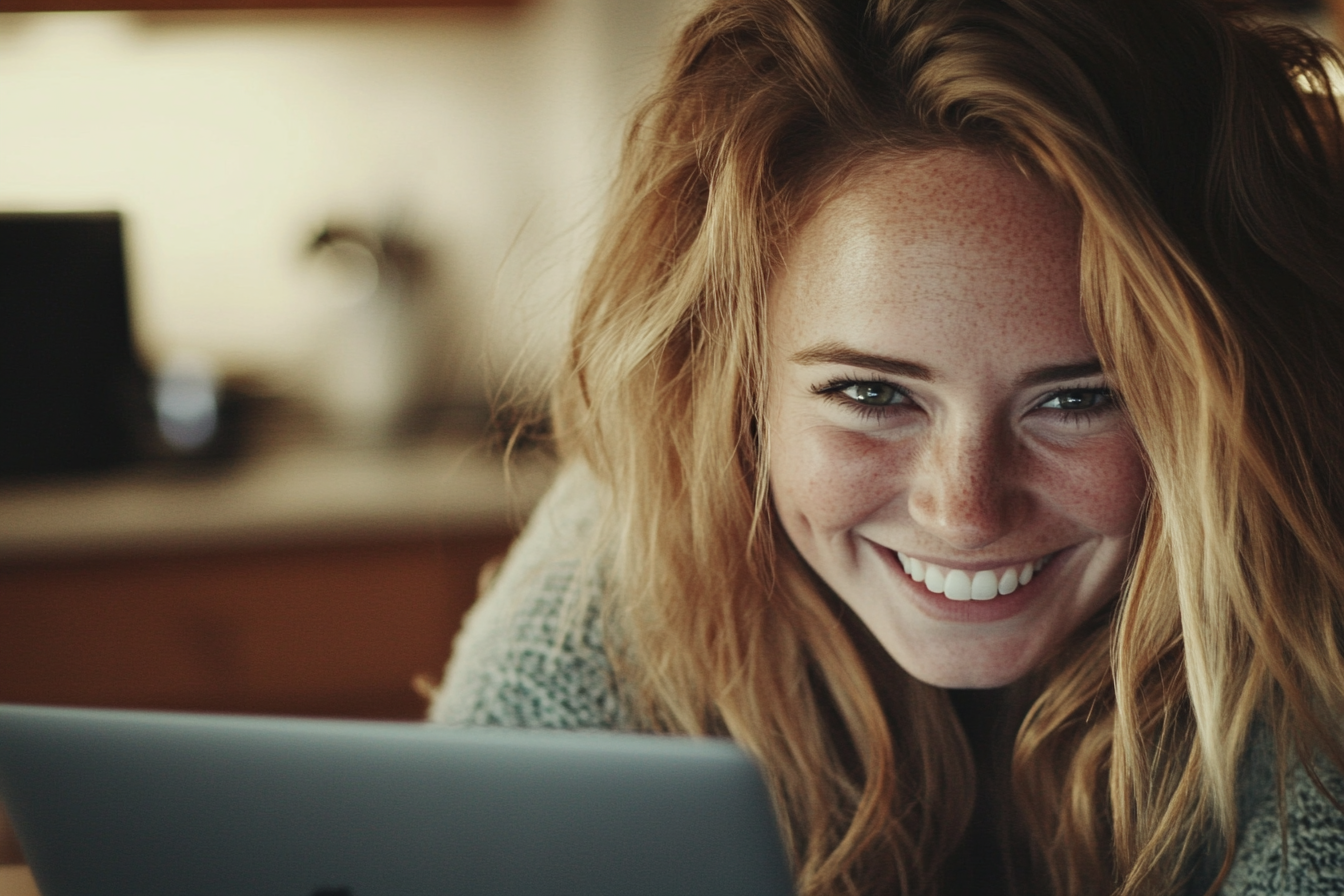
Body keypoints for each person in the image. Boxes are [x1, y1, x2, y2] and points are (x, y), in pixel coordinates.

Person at [430, 0, 1344, 893]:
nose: (967, 509)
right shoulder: (618, 578)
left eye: (1078, 398)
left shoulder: (1308, 625)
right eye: (870, 393)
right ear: (727, 390)